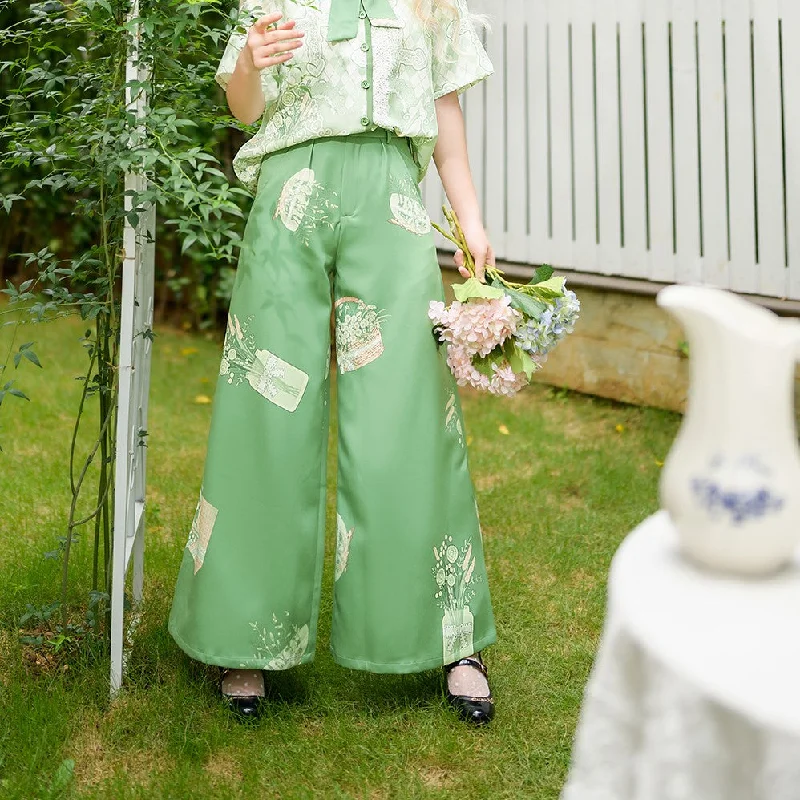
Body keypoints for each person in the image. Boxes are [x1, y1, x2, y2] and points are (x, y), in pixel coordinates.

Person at [168, 0, 498, 725]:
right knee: (266, 410)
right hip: (290, 197)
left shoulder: (432, 4)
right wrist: (250, 60)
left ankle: (448, 640)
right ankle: (242, 636)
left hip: (391, 205)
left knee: (407, 416)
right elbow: (245, 108)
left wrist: (470, 217)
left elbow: (445, 120)